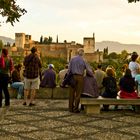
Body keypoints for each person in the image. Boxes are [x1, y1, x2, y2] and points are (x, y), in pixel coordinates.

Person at [67, 48, 92, 113]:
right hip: (80, 77)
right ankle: (76, 109)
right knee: (78, 94)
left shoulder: (72, 59)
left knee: (71, 93)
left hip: (72, 76)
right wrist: (92, 75)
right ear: (83, 53)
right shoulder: (84, 60)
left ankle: (70, 108)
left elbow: (69, 70)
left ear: (77, 53)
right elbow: (89, 70)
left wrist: (68, 77)